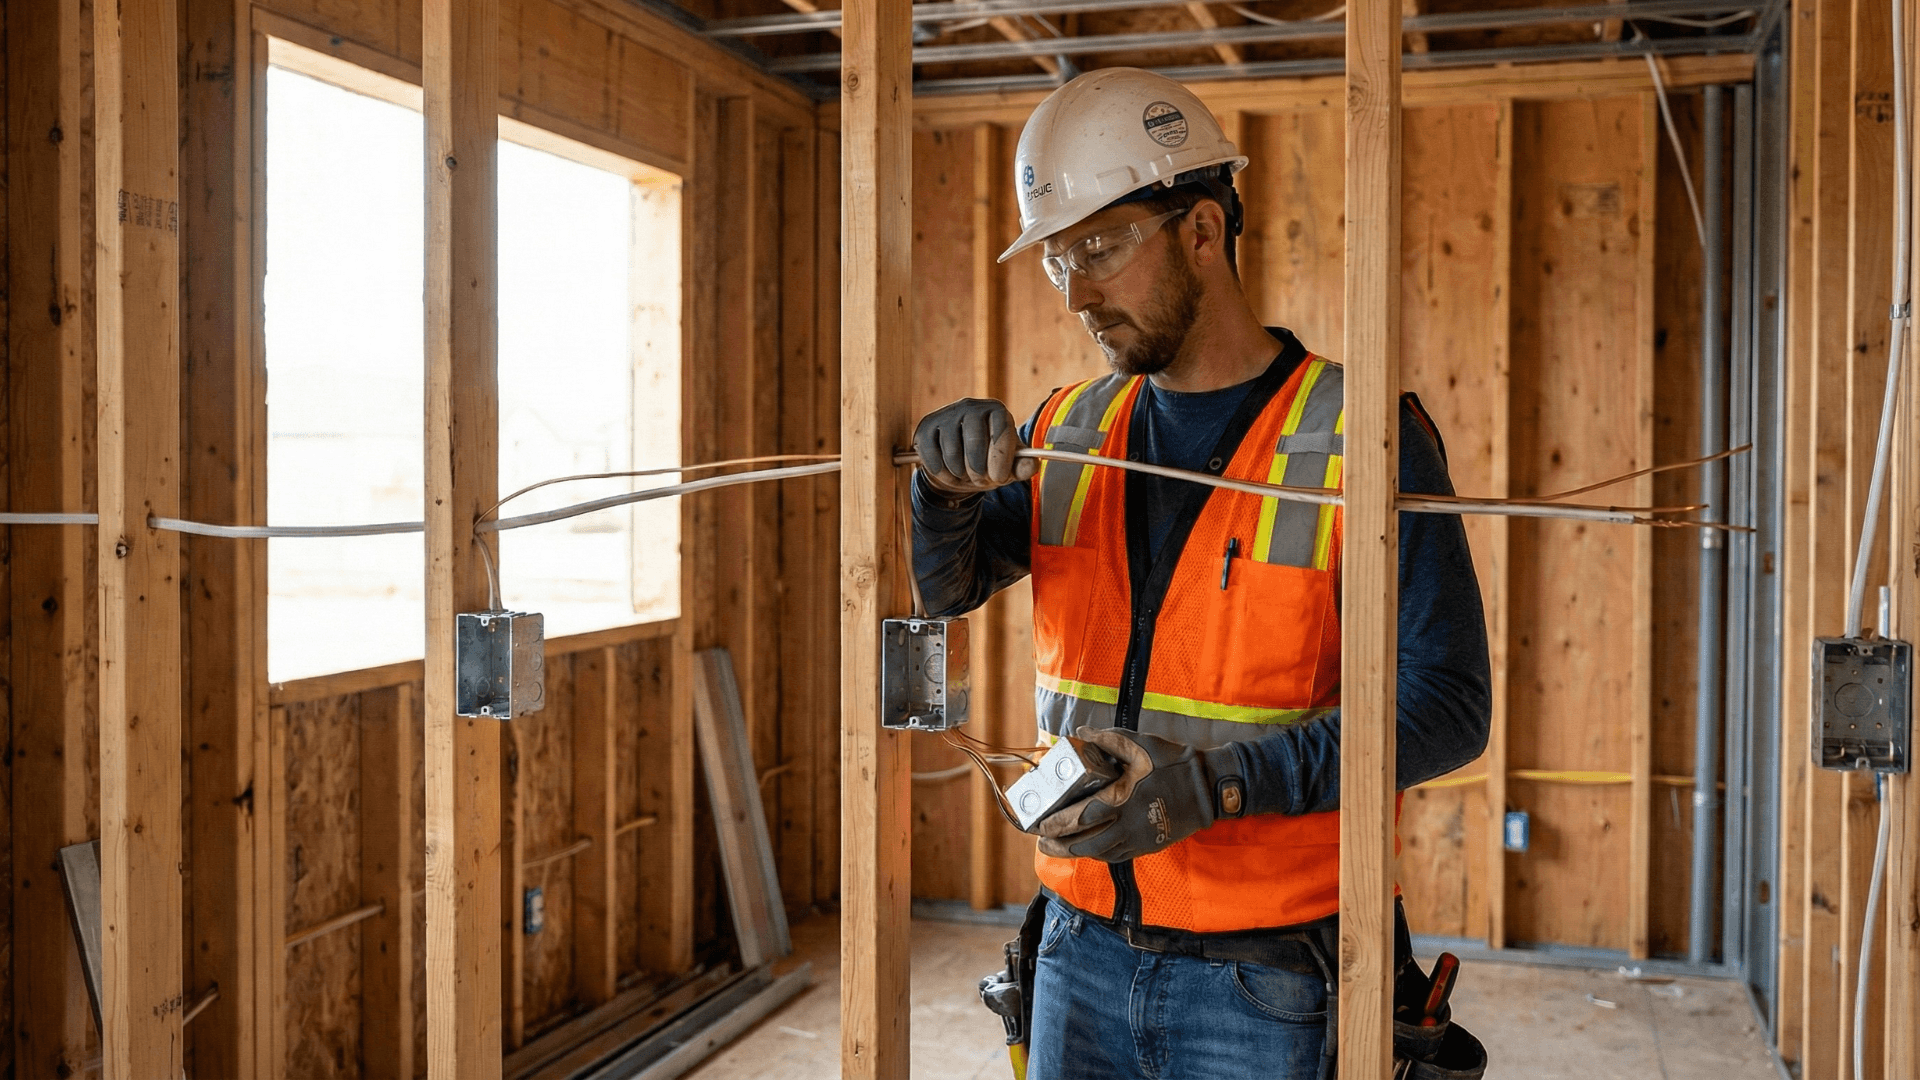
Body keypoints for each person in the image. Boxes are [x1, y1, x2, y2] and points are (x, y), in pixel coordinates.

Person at [911, 68, 1492, 1080]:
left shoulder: (1363, 439)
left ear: (1201, 229)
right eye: (1060, 261)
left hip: (1268, 976)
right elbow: (947, 589)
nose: (1080, 293)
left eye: (1100, 248)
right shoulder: (1070, 432)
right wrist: (941, 493)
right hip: (1076, 946)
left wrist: (1220, 784)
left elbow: (1448, 705)